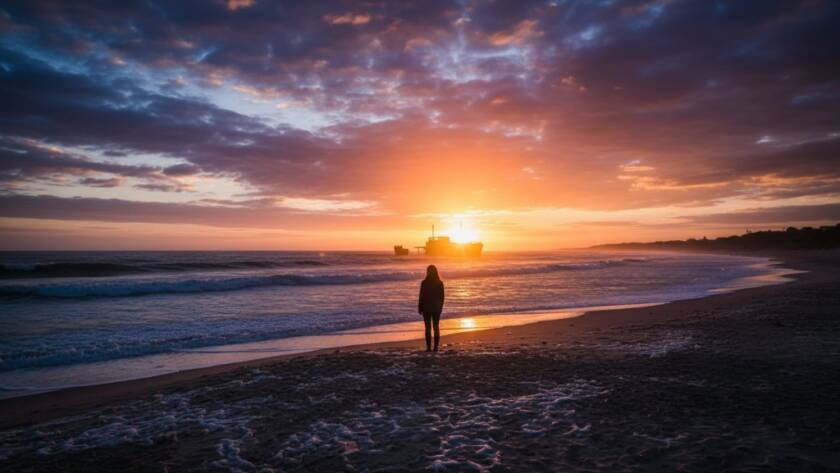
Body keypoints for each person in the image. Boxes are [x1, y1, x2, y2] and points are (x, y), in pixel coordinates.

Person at [418, 264, 445, 352]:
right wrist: (440, 307)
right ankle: (434, 347)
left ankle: (430, 348)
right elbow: (442, 297)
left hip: (427, 308)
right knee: (434, 327)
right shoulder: (439, 283)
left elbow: (421, 296)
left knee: (429, 327)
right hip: (434, 308)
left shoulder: (424, 282)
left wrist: (420, 306)